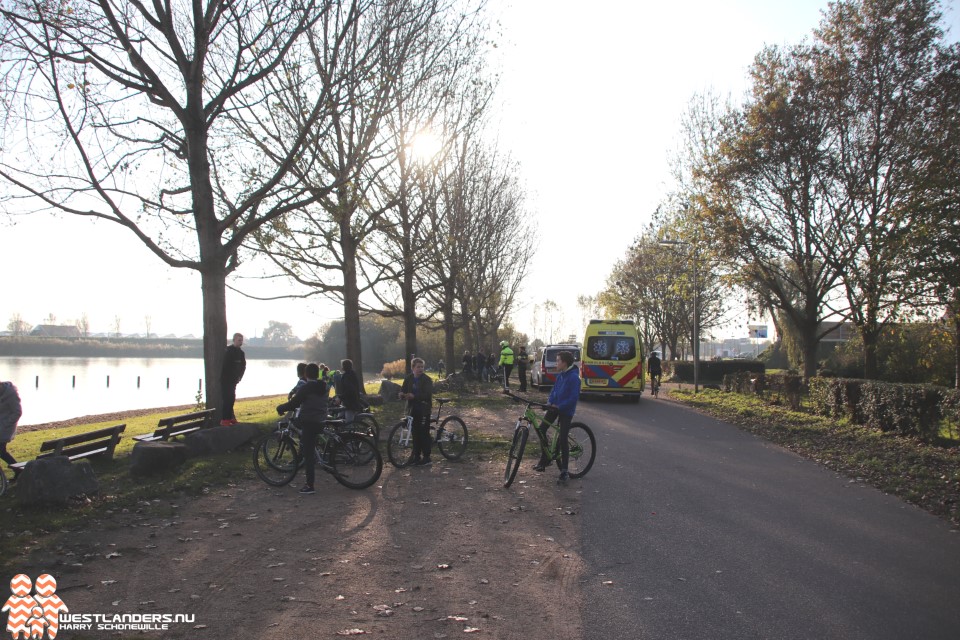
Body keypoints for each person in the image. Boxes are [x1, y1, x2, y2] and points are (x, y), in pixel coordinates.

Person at [276, 363, 328, 495]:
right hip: (321, 420)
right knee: (309, 444)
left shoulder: (306, 388)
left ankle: (310, 485)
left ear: (306, 374)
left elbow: (294, 403)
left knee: (308, 454)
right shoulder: (323, 386)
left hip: (310, 421)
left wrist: (281, 408)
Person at [534, 350, 580, 484]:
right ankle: (544, 460)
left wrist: (560, 406)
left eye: (558, 360)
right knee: (542, 429)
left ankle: (565, 470)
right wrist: (549, 403)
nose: (556, 363)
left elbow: (573, 398)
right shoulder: (561, 375)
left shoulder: (573, 377)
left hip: (566, 410)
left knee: (563, 438)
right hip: (554, 407)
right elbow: (554, 391)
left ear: (564, 363)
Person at [399, 357, 434, 466]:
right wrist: (401, 395)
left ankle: (427, 457)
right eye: (418, 367)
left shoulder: (427, 379)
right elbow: (403, 390)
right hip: (412, 410)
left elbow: (427, 394)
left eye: (422, 367)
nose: (420, 369)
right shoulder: (408, 378)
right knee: (415, 433)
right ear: (413, 368)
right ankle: (417, 456)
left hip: (424, 409)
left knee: (424, 433)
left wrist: (415, 396)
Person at [220, 333, 246, 426]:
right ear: (234, 340)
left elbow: (243, 366)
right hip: (226, 380)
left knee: (232, 399)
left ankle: (230, 417)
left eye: (241, 340)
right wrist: (230, 377)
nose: (241, 342)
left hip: (234, 380)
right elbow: (226, 366)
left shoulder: (241, 353)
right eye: (239, 340)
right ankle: (224, 419)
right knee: (227, 399)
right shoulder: (229, 351)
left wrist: (239, 377)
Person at [0, 379, 23, 470]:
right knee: (2, 452)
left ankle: (18, 469)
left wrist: (4, 424)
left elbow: (17, 412)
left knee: (1, 451)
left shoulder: (11, 394)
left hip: (6, 428)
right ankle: (18, 470)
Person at [338, 359, 365, 425]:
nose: (341, 367)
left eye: (342, 365)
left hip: (350, 402)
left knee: (348, 421)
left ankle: (350, 433)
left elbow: (350, 390)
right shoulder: (351, 374)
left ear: (345, 366)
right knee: (339, 417)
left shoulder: (347, 376)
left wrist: (341, 397)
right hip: (347, 401)